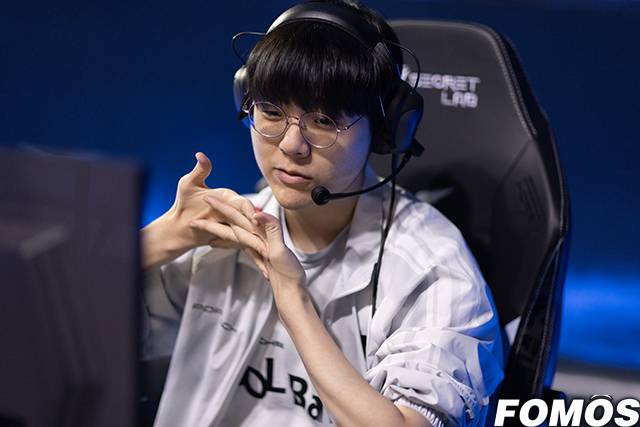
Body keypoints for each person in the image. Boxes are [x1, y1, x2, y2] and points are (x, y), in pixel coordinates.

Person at [141, 1, 504, 426]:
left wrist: (293, 299)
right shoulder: (218, 234)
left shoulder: (431, 269)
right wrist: (160, 239)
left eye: (324, 121)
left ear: (383, 131)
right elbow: (74, 341)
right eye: (271, 111)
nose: (291, 145)